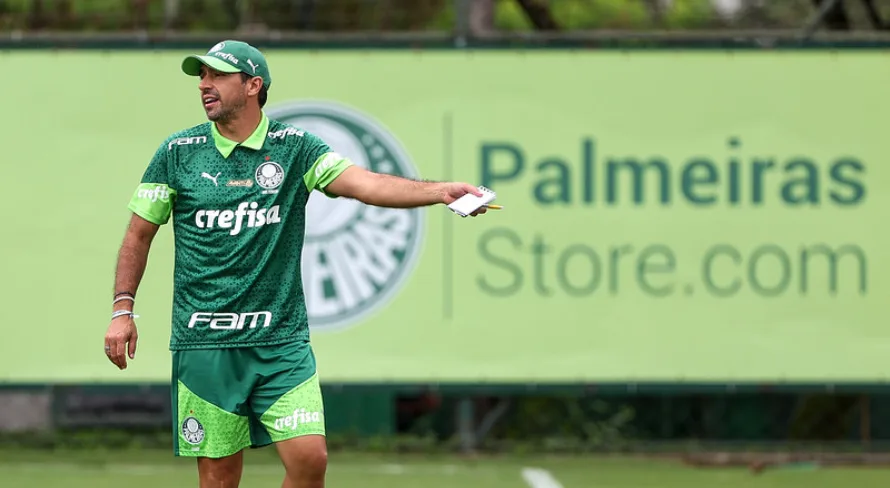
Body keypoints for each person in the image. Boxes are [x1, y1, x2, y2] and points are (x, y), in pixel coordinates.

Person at [103, 39, 488, 488]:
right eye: (201, 76)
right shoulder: (177, 153)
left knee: (310, 459)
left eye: (217, 75)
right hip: (204, 341)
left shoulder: (295, 148)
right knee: (219, 480)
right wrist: (122, 310)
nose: (204, 85)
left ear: (252, 85)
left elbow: (366, 184)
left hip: (279, 341)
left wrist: (440, 192)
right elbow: (138, 234)